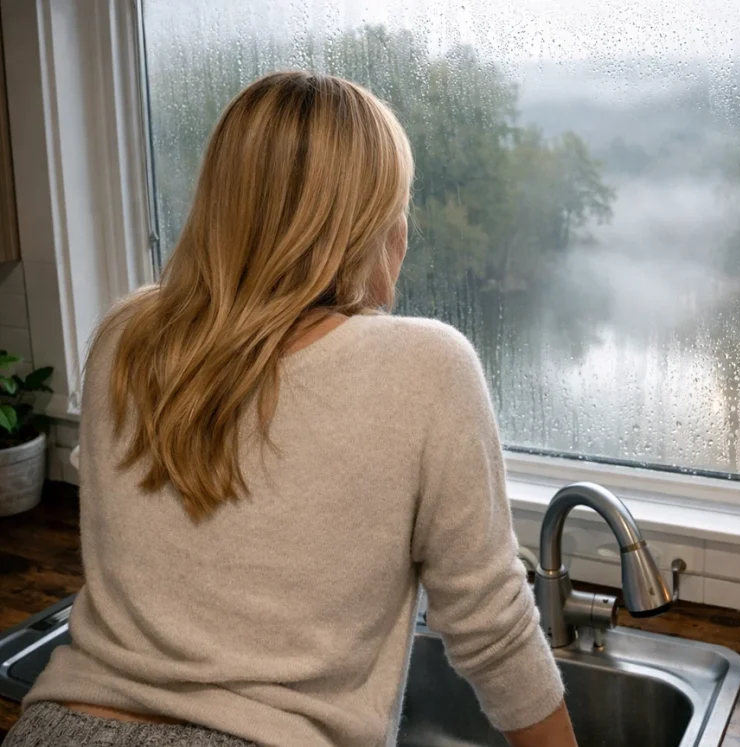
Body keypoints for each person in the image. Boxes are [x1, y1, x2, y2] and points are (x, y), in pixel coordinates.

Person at [2, 72, 577, 747]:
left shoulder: (127, 336)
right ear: (368, 225)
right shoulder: (428, 366)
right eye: (400, 205)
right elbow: (492, 625)